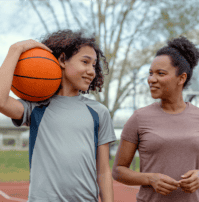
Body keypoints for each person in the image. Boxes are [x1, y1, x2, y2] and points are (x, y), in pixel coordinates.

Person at [0, 30, 116, 202]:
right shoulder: (36, 107)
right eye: (85, 62)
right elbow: (1, 102)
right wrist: (15, 50)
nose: (91, 71)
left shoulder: (99, 112)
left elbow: (104, 171)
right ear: (62, 60)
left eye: (94, 65)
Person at [112, 36, 199, 202]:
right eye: (150, 73)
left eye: (160, 73)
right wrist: (150, 179)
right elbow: (118, 171)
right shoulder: (138, 118)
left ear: (181, 78)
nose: (151, 79)